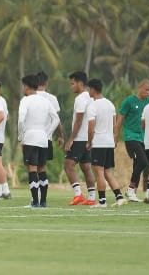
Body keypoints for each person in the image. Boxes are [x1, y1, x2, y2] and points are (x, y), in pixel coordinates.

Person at [18, 74, 60, 208]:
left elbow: (20, 120)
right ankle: (44, 201)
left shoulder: (25, 100)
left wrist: (21, 137)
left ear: (26, 86)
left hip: (30, 137)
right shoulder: (45, 101)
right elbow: (56, 119)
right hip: (43, 138)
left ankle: (35, 201)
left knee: (32, 168)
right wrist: (48, 132)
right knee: (42, 169)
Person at [85, 79, 126, 208]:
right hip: (108, 142)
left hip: (99, 142)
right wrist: (114, 139)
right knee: (107, 172)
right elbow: (114, 125)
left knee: (99, 172)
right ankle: (119, 197)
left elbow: (91, 127)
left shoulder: (92, 106)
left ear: (92, 89)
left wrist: (89, 142)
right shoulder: (110, 104)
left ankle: (102, 201)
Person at [114, 79, 149, 202]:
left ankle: (133, 193)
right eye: (146, 90)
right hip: (131, 137)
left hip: (142, 137)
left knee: (138, 163)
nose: (148, 93)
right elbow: (120, 119)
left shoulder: (148, 102)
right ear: (140, 87)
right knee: (143, 161)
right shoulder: (129, 101)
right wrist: (115, 136)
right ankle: (130, 190)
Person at [64, 71, 96, 205]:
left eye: (73, 83)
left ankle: (78, 194)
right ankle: (92, 198)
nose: (71, 86)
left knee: (68, 165)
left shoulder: (80, 99)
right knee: (86, 167)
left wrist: (71, 139)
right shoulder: (92, 98)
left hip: (79, 139)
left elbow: (78, 120)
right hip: (88, 138)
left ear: (81, 84)